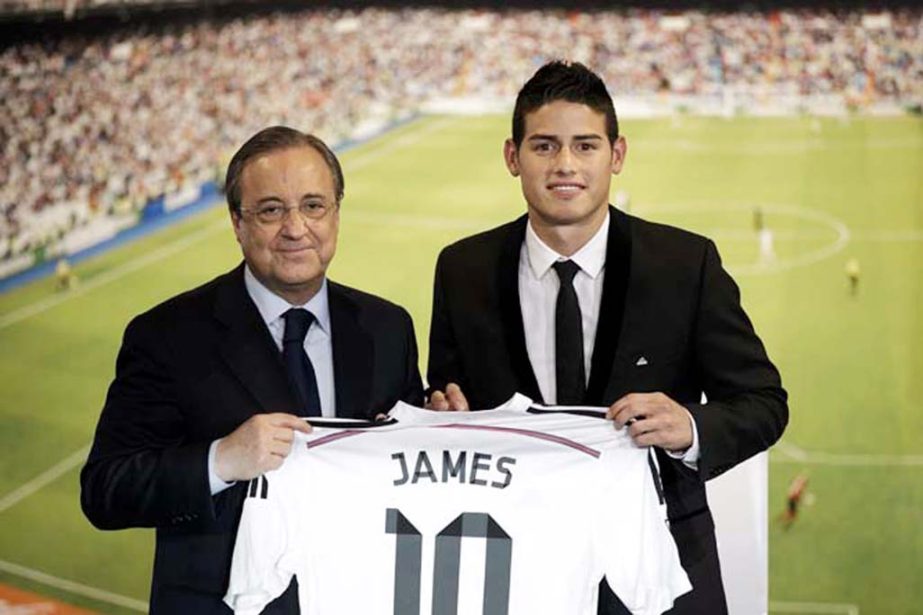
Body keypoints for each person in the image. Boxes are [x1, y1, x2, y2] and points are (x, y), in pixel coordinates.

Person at [427, 61, 788, 614]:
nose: (565, 165)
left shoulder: (685, 264)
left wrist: (690, 426)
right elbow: (447, 397)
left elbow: (764, 403)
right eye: (544, 146)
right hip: (514, 568)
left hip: (661, 570)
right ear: (512, 156)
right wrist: (442, 412)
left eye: (585, 146)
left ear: (616, 155)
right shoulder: (462, 270)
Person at [80, 126, 424, 613]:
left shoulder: (388, 327)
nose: (295, 228)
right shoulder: (167, 335)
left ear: (336, 213)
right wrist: (221, 460)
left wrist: (438, 423)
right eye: (270, 210)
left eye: (313, 205)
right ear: (238, 223)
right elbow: (105, 490)